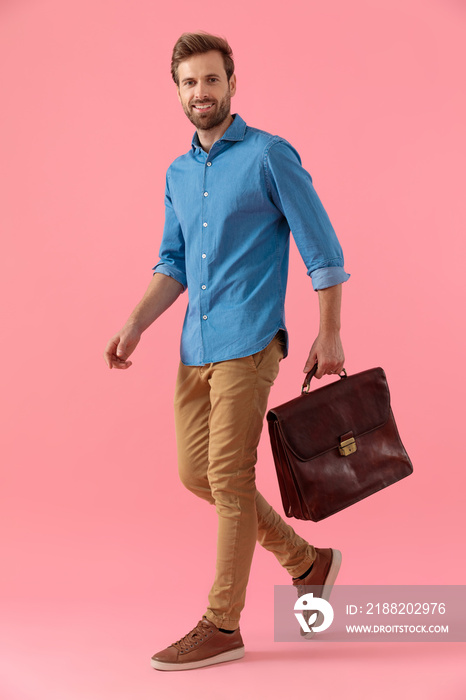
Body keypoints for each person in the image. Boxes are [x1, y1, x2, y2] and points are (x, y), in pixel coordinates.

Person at [104, 31, 350, 671]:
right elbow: (174, 262)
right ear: (178, 91)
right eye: (189, 83)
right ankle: (307, 561)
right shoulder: (178, 172)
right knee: (198, 475)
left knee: (231, 477)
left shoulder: (270, 155)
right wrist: (135, 322)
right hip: (195, 345)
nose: (201, 93)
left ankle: (222, 623)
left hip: (250, 338)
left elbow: (321, 247)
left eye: (211, 80)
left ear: (232, 83)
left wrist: (329, 332)